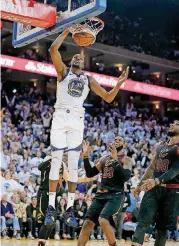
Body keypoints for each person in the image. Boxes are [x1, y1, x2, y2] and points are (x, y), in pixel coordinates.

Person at [45, 28, 129, 228]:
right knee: (56, 162)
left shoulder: (88, 80)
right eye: (74, 56)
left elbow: (108, 97)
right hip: (59, 116)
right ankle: (50, 206)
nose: (77, 58)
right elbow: (52, 49)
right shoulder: (63, 72)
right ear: (71, 62)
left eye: (80, 58)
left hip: (76, 120)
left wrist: (118, 84)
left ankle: (71, 209)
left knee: (73, 165)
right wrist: (67, 30)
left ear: (83, 63)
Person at [131, 120, 179, 246]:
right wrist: (139, 185)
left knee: (162, 229)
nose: (172, 124)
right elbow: (152, 167)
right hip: (153, 189)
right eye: (172, 123)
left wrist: (156, 181)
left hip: (172, 192)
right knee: (142, 222)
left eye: (177, 124)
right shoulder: (160, 145)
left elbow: (174, 171)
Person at [77, 137, 132, 246]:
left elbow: (125, 177)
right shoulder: (103, 159)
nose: (116, 140)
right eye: (115, 139)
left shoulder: (126, 159)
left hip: (115, 195)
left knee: (103, 220)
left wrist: (115, 159)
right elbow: (90, 173)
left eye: (120, 140)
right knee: (87, 223)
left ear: (124, 145)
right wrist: (86, 155)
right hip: (101, 195)